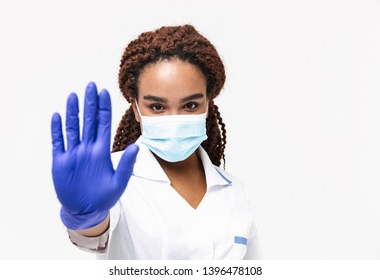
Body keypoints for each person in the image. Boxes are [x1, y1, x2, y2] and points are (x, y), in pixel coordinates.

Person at [51, 24, 261, 259]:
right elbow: (94, 237)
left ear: (208, 104)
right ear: (136, 109)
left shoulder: (234, 191)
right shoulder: (112, 176)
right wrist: (85, 216)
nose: (174, 119)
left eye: (190, 105)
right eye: (157, 107)